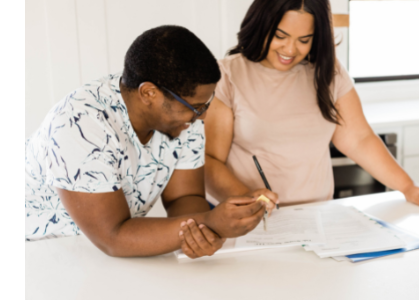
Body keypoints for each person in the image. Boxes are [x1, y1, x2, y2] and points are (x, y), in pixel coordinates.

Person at [25, 25, 268, 258]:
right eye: (195, 107)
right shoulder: (79, 124)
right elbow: (113, 237)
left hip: (106, 252)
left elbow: (183, 198)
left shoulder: (185, 117)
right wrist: (210, 222)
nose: (202, 115)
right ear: (149, 93)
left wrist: (199, 234)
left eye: (205, 104)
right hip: (37, 251)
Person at [203, 0, 419, 213]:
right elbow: (212, 161)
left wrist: (408, 186)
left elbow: (359, 139)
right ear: (262, 26)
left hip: (318, 216)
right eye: (280, 36)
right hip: (248, 217)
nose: (290, 49)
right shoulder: (227, 75)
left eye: (304, 40)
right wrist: (247, 197)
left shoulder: (328, 73)